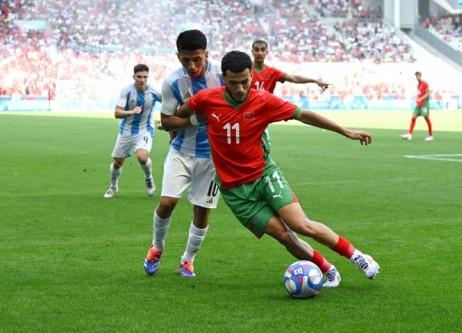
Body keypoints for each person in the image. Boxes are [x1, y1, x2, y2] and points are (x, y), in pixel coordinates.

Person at [162, 50, 380, 288]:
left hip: (264, 175)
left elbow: (303, 115)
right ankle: (327, 269)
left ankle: (357, 256)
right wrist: (178, 128)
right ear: (224, 78)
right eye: (233, 83)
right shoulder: (206, 98)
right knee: (285, 236)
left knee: (300, 224)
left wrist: (347, 132)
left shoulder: (263, 101)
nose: (240, 89)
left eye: (245, 82)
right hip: (235, 192)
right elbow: (180, 114)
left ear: (251, 78)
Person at [144, 30, 224, 278]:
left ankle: (188, 259)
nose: (192, 66)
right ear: (178, 56)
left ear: (206, 54)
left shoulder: (223, 75)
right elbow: (166, 121)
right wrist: (195, 120)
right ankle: (156, 248)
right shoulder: (172, 82)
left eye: (197, 59)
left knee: (202, 211)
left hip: (213, 157)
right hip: (182, 152)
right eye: (185, 60)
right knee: (167, 202)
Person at [251, 39, 330, 154]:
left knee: (262, 150)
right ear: (252, 52)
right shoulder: (246, 71)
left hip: (263, 115)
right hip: (247, 112)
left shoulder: (272, 72)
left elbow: (293, 78)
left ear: (266, 52)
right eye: (256, 50)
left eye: (262, 50)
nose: (259, 53)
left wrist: (314, 80)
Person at [104, 64, 162, 198]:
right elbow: (117, 113)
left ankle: (149, 179)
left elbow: (168, 104)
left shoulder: (154, 92)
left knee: (142, 157)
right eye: (139, 77)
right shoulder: (127, 91)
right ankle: (113, 187)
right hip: (126, 131)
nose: (142, 80)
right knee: (117, 163)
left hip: (145, 130)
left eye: (145, 77)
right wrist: (132, 111)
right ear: (134, 77)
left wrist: (164, 121)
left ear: (148, 77)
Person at [401, 71, 433, 141]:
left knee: (427, 119)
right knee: (413, 117)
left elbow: (428, 94)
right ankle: (409, 134)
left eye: (418, 76)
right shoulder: (418, 85)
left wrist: (421, 98)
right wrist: (417, 98)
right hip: (419, 105)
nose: (417, 78)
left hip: (424, 105)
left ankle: (430, 136)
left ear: (420, 76)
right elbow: (420, 93)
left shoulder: (425, 84)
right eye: (416, 76)